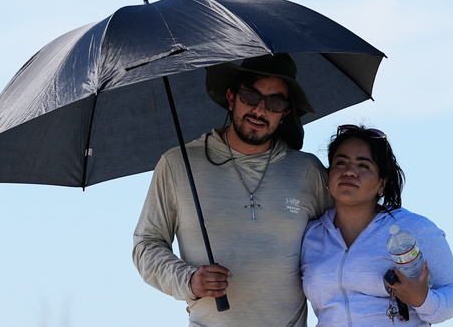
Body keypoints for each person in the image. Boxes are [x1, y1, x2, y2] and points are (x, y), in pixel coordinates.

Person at [133, 54, 332, 326]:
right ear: (231, 97)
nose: (260, 110)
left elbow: (341, 244)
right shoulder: (177, 165)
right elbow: (146, 245)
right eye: (250, 96)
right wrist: (188, 280)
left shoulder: (308, 171)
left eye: (274, 102)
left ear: (285, 113)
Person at [301, 125, 453, 326]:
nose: (349, 172)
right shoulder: (309, 236)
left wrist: (422, 300)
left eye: (363, 165)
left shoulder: (413, 227)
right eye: (341, 162)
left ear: (382, 184)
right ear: (328, 177)